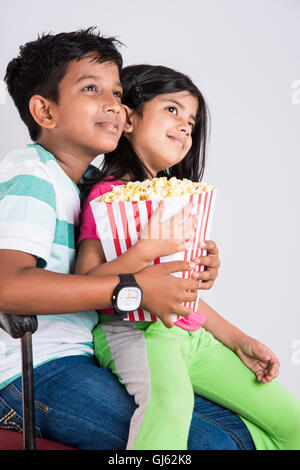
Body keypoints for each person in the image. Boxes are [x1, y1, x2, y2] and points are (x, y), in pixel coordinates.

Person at [0, 28, 255, 450]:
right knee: (213, 445)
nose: (113, 106)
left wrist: (189, 265)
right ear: (45, 111)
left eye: (117, 94)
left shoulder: (95, 188)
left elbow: (139, 270)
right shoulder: (32, 177)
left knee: (243, 435)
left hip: (89, 355)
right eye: (90, 89)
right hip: (30, 373)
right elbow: (8, 286)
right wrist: (133, 289)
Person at [76, 63, 300, 450]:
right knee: (172, 404)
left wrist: (238, 339)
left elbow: (182, 294)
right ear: (128, 119)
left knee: (291, 423)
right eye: (173, 110)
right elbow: (85, 284)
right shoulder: (107, 195)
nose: (184, 127)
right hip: (134, 334)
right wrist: (145, 251)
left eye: (191, 123)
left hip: (191, 334)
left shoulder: (176, 199)